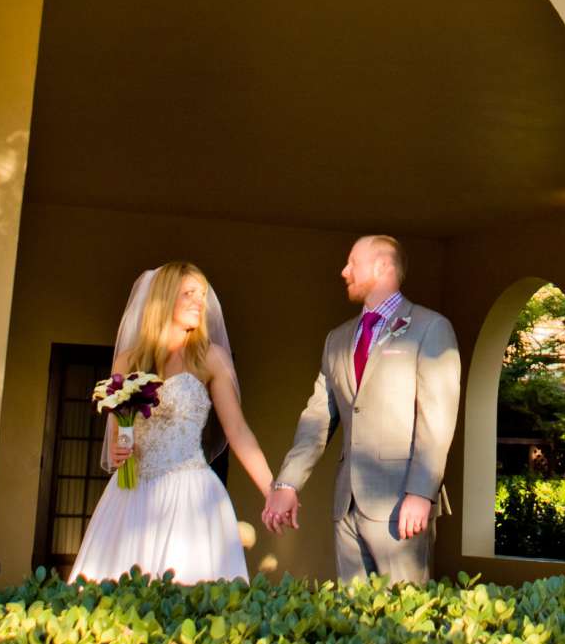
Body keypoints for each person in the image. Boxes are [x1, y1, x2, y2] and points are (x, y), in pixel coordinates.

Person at [262, 234, 460, 584]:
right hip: (347, 505)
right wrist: (287, 484)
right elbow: (317, 418)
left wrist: (421, 492)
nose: (343, 271)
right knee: (352, 619)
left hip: (401, 504)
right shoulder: (337, 339)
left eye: (352, 262)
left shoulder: (430, 328)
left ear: (383, 266)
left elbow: (437, 419)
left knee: (406, 617)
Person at [72, 260, 275, 585]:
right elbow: (117, 434)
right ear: (165, 298)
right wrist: (121, 447)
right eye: (189, 293)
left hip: (191, 495)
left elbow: (237, 431)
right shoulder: (128, 361)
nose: (200, 302)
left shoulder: (211, 359)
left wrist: (272, 490)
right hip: (132, 495)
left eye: (203, 294)